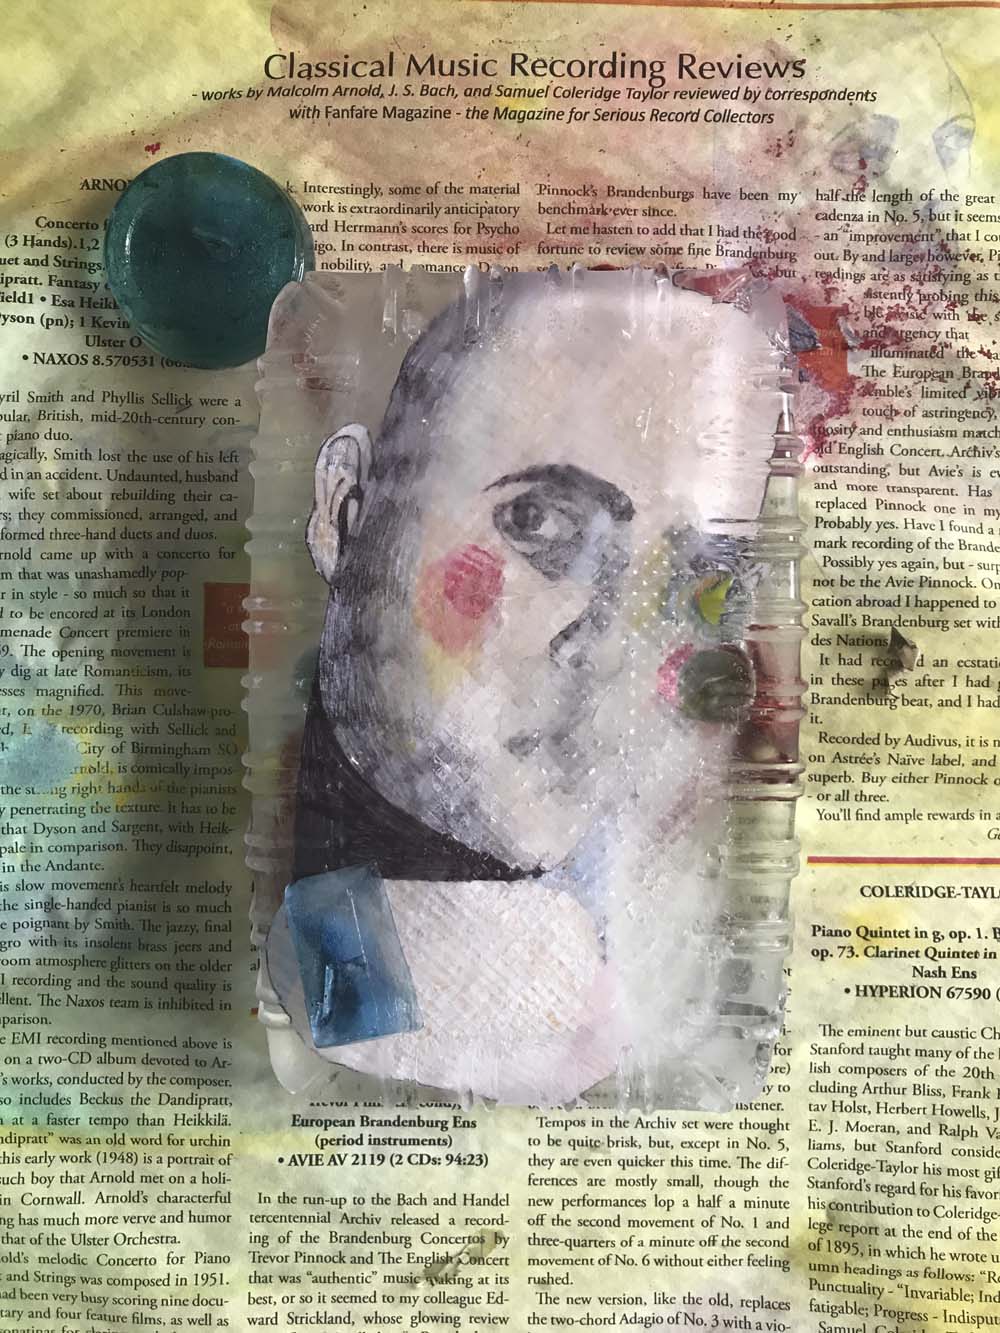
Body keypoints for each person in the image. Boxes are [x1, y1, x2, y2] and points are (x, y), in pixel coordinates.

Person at [263, 267, 788, 1104]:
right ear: (347, 513)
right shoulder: (345, 976)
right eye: (538, 522)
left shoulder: (612, 997)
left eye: (698, 581)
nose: (608, 648)